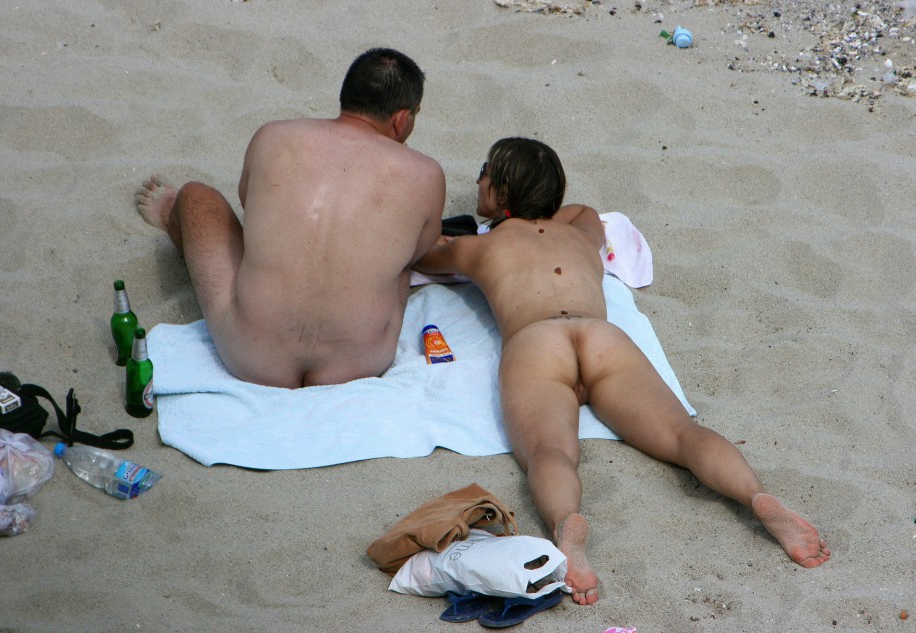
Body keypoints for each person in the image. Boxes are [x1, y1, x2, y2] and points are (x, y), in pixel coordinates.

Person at [413, 137, 830, 606]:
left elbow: (422, 253)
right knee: (681, 434)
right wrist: (547, 209)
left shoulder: (479, 249)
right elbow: (586, 211)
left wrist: (468, 233)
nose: (478, 179)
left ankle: (567, 526)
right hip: (601, 337)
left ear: (504, 192)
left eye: (486, 172)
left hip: (537, 342)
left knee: (551, 451)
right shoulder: (581, 235)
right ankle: (756, 497)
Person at [136, 48, 445, 387]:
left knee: (195, 197)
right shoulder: (426, 174)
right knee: (400, 258)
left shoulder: (274, 135)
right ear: (402, 119)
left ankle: (171, 216)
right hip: (360, 363)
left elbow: (247, 204)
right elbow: (419, 248)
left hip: (251, 355)